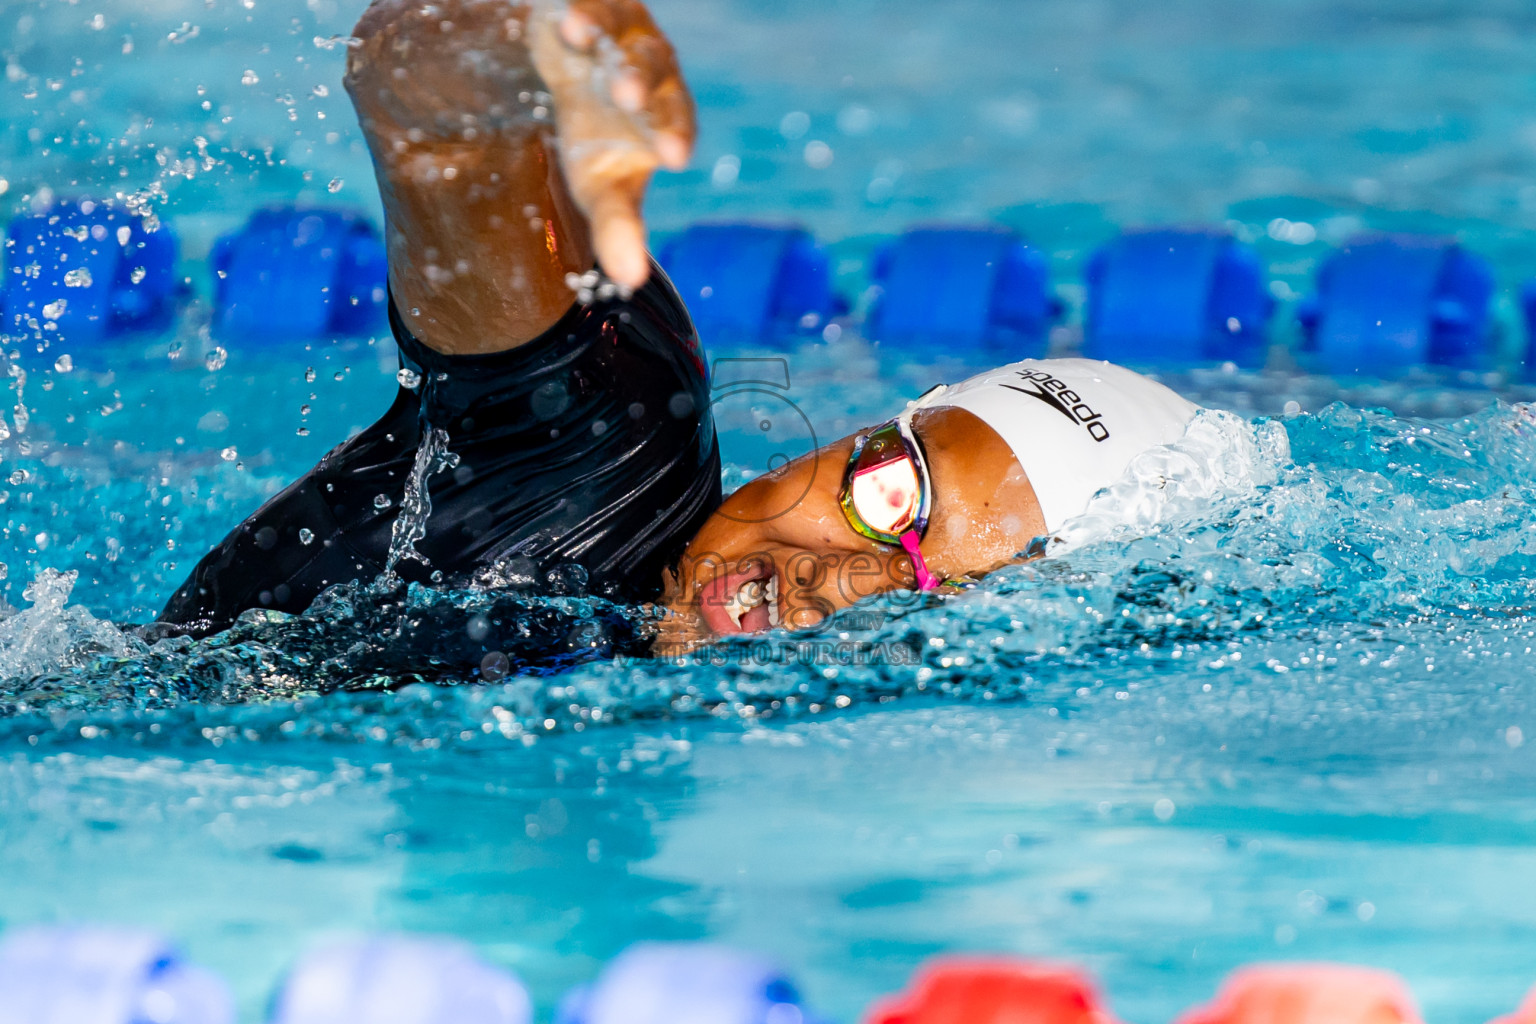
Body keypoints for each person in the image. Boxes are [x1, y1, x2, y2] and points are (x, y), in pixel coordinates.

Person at [163, 0, 1210, 653]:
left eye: (944, 604)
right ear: (859, 439)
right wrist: (525, 45)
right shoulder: (601, 454)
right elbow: (420, 105)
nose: (836, 582)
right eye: (897, 494)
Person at [160, 0, 721, 636]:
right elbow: (417, 66)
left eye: (862, 578)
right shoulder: (604, 446)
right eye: (863, 489)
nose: (836, 582)